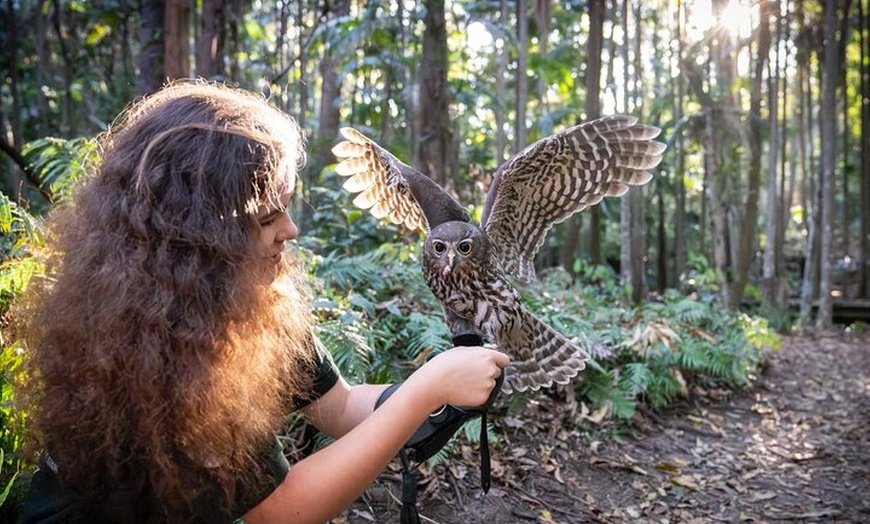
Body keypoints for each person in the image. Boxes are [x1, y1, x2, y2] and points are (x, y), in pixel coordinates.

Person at [15, 80, 509, 523]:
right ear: (198, 231)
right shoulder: (154, 344)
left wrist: (441, 389)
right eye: (268, 217)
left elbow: (339, 408)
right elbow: (282, 509)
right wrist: (424, 390)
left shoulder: (253, 299)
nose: (290, 231)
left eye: (288, 208)